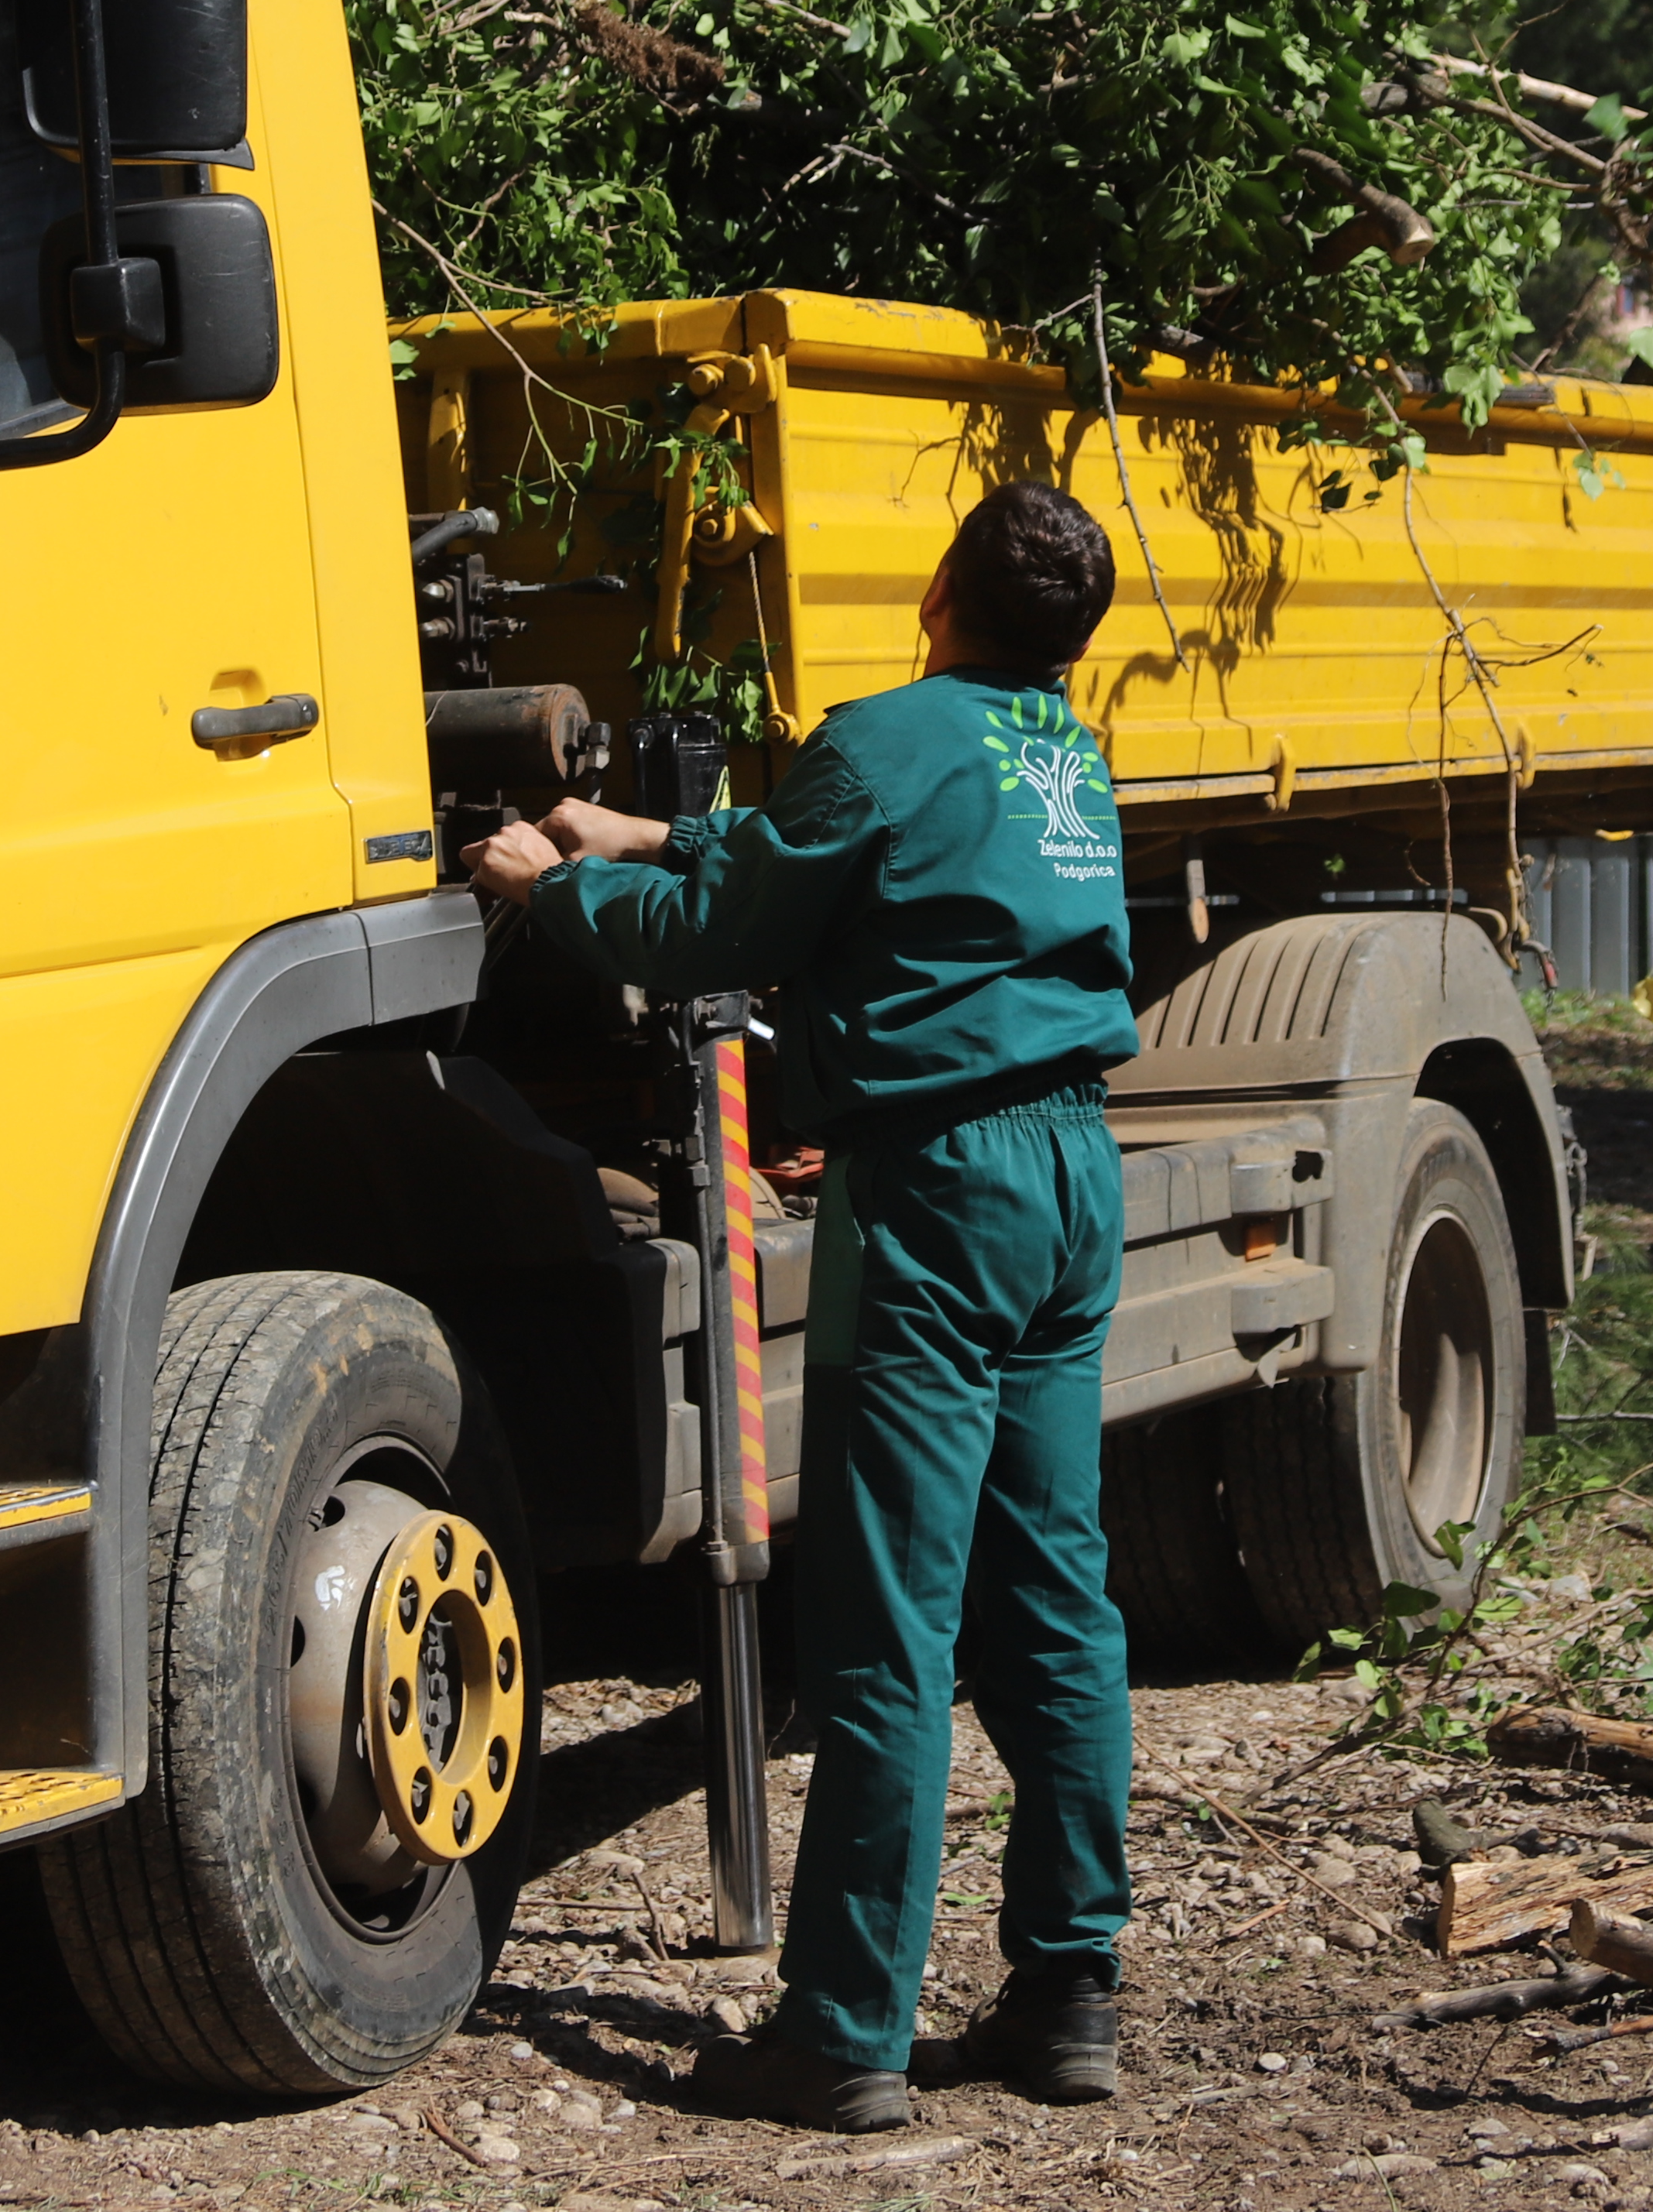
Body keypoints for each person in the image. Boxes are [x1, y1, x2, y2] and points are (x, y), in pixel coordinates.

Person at [468, 480, 1142, 2134]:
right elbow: (836, 860)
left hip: (939, 1188)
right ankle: (1070, 1991)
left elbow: (734, 922)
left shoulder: (883, 733)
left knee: (890, 1620)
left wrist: (547, 887)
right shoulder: (1061, 751)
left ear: (938, 589)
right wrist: (646, 831)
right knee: (1056, 1599)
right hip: (1073, 1175)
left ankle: (844, 2030)